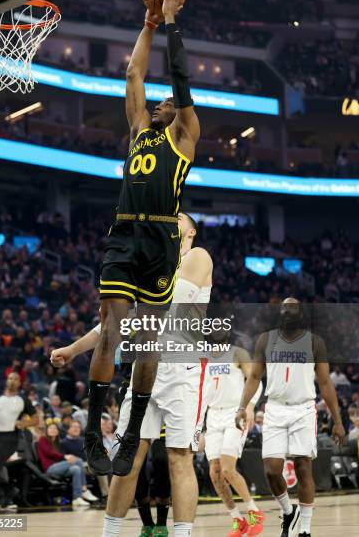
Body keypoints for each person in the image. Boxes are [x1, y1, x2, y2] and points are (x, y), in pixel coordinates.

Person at [83, 0, 200, 477]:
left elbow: (179, 80)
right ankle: (94, 431)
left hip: (160, 240)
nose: (158, 106)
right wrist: (149, 24)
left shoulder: (186, 135)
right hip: (125, 232)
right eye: (157, 105)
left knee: (147, 341)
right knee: (112, 331)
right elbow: (134, 71)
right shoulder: (138, 131)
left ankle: (132, 431)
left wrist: (172, 20)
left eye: (166, 105)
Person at [52, 211, 212, 537]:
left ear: (191, 231)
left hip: (183, 369)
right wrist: (73, 348)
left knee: (179, 458)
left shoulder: (197, 256)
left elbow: (163, 306)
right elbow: (116, 323)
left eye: (178, 218)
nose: (170, 221)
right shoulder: (152, 267)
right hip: (144, 367)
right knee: (129, 455)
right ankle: (109, 534)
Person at [236, 298, 346, 537]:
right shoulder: (266, 339)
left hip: (303, 409)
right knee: (272, 470)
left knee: (303, 467)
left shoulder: (315, 343)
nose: (286, 312)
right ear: (280, 314)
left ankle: (304, 529)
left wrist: (337, 421)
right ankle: (288, 511)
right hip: (275, 408)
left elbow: (326, 383)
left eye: (292, 309)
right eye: (283, 309)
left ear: (300, 315)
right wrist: (242, 407)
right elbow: (254, 376)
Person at [205, 345, 264, 537]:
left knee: (227, 469)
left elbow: (256, 380)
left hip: (234, 412)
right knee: (215, 473)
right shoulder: (199, 355)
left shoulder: (237, 353)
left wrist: (250, 406)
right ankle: (237, 519)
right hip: (212, 415)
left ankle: (254, 512)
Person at [0, 372, 38, 512]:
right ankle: (9, 489)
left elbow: (36, 419)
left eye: (15, 379)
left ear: (19, 383)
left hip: (11, 438)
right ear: (7, 381)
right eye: (10, 378)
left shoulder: (23, 400)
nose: (12, 381)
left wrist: (24, 424)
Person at [37, 422, 90, 508]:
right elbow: (49, 453)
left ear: (58, 431)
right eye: (50, 428)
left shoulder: (58, 443)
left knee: (76, 468)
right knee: (78, 460)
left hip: (60, 468)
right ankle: (84, 488)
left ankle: (77, 498)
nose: (53, 430)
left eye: (55, 429)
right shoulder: (43, 439)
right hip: (49, 469)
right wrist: (65, 457)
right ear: (46, 431)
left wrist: (67, 458)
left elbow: (59, 457)